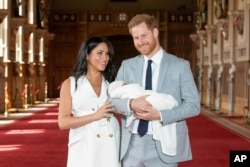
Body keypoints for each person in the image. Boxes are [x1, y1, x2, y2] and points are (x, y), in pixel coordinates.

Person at [111, 14, 200, 167]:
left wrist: (159, 115)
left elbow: (193, 106)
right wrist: (131, 104)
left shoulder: (180, 66)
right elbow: (112, 101)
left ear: (155, 32)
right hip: (131, 145)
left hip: (164, 145)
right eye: (136, 37)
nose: (140, 42)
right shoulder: (127, 65)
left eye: (144, 35)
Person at [58, 36, 121, 167]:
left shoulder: (112, 83)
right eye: (99, 53)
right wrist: (94, 116)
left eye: (107, 54)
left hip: (110, 140)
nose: (105, 58)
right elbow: (63, 122)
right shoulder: (70, 83)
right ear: (87, 55)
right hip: (84, 143)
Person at [108, 80, 178, 155]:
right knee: (160, 101)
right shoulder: (124, 86)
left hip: (147, 97)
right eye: (125, 84)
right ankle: (171, 102)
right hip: (132, 141)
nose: (127, 84)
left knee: (158, 99)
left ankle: (170, 102)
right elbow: (110, 103)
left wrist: (160, 116)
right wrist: (131, 104)